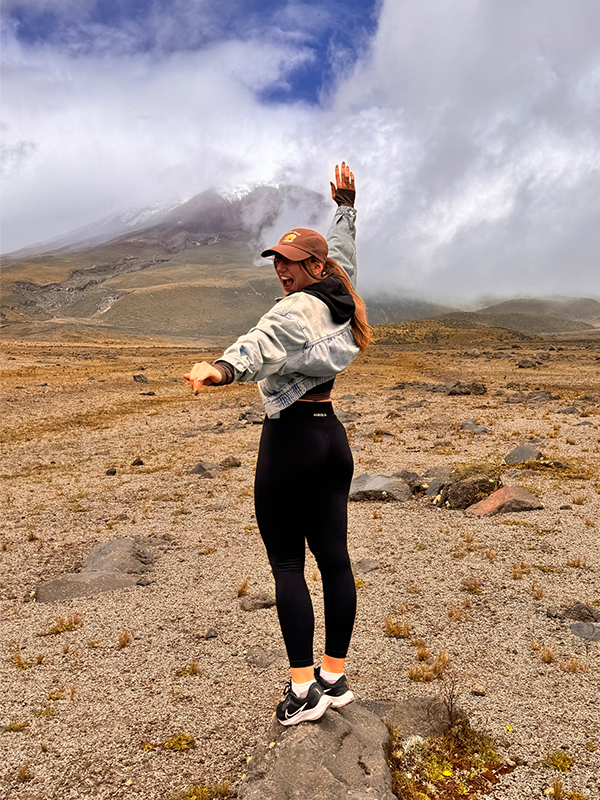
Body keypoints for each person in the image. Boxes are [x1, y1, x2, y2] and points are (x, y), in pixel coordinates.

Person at [185, 162, 372, 726]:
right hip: (330, 438)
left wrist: (220, 369)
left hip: (290, 441)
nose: (282, 272)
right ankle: (334, 678)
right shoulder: (341, 288)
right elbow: (343, 248)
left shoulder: (297, 310)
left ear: (312, 267)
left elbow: (260, 343)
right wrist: (345, 208)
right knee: (335, 560)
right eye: (278, 262)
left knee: (287, 563)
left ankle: (302, 692)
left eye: (290, 263)